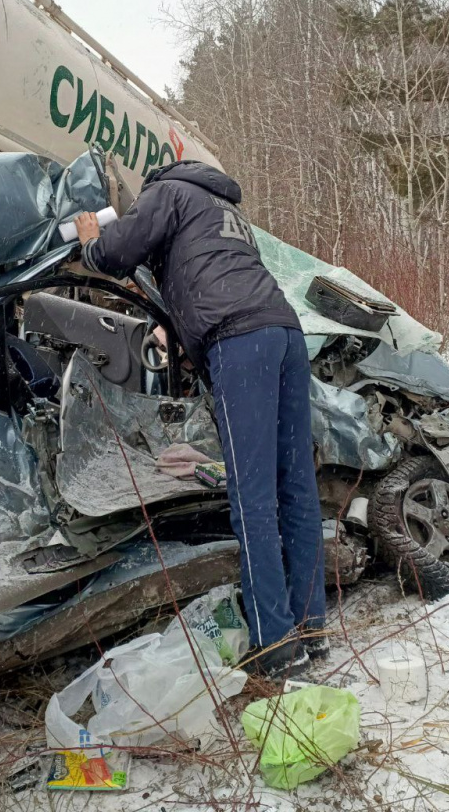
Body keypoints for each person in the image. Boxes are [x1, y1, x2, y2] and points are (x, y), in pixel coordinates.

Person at [74, 160, 326, 679]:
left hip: (240, 342)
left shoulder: (166, 191)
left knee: (253, 498)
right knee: (297, 487)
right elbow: (209, 275)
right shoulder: (222, 207)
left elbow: (118, 253)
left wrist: (91, 241)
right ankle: (311, 627)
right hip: (284, 334)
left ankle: (275, 645)